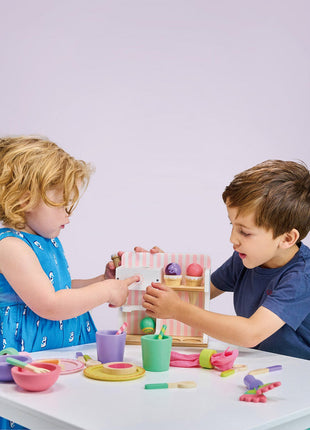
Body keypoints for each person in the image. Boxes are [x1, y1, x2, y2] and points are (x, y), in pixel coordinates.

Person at [0, 136, 138, 429]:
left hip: (56, 351)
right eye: (63, 205)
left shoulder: (45, 241)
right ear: (25, 199)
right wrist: (106, 291)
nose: (68, 216)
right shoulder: (10, 246)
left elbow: (58, 288)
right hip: (28, 353)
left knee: (62, 414)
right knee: (31, 416)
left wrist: (101, 280)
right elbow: (49, 304)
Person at [139, 159, 310, 360]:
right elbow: (200, 293)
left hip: (300, 374)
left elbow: (250, 334)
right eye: (233, 225)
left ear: (287, 238)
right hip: (262, 363)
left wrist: (177, 309)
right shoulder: (245, 259)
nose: (232, 239)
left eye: (244, 232)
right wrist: (168, 271)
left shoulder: (302, 277)